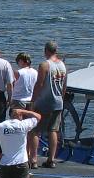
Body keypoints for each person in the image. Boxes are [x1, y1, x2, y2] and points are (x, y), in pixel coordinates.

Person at [28, 41, 67, 169]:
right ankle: (51, 159)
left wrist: (33, 101)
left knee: (35, 130)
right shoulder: (63, 65)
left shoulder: (45, 65)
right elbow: (64, 86)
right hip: (58, 102)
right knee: (53, 130)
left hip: (44, 102)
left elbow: (39, 84)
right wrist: (61, 98)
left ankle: (33, 160)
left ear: (46, 51)